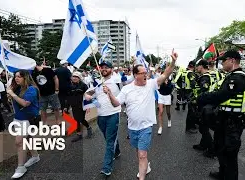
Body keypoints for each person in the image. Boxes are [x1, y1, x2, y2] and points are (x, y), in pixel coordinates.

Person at [103, 50, 178, 180]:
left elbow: (166, 74)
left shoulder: (151, 84)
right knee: (139, 152)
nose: (145, 75)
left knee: (142, 154)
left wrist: (173, 62)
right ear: (135, 75)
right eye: (142, 73)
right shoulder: (127, 89)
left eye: (146, 73)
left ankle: (141, 177)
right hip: (132, 128)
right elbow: (116, 104)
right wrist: (109, 94)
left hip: (146, 126)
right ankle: (146, 167)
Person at [197, 50, 245, 180]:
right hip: (223, 118)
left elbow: (222, 95)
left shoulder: (239, 77)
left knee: (230, 153)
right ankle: (222, 173)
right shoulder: (230, 75)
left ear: (232, 60)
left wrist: (203, 97)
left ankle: (229, 177)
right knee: (220, 148)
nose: (221, 63)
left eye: (224, 60)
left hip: (233, 121)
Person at [84, 61, 121, 176]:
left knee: (109, 141)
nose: (104, 69)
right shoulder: (98, 83)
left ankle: (106, 168)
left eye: (106, 67)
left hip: (113, 114)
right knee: (109, 138)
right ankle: (117, 151)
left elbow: (126, 85)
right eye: (102, 67)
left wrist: (109, 92)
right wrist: (88, 96)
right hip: (101, 116)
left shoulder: (117, 80)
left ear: (111, 69)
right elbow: (88, 93)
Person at [7, 70, 40, 179]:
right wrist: (10, 92)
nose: (16, 78)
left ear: (25, 78)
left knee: (19, 142)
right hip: (18, 119)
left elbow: (25, 103)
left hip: (28, 120)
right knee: (29, 139)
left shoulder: (31, 89)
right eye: (15, 76)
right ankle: (35, 156)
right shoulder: (17, 88)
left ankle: (21, 167)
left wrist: (12, 94)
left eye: (19, 77)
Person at [192, 60, 215, 158]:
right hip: (209, 105)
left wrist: (196, 100)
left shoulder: (205, 78)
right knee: (203, 126)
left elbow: (204, 93)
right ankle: (203, 145)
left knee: (203, 128)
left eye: (198, 66)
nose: (196, 68)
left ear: (201, 66)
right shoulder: (211, 75)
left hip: (204, 106)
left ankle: (211, 150)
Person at [68, 71, 92, 142]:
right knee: (76, 120)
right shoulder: (70, 86)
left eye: (76, 77)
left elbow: (88, 96)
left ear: (79, 78)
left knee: (81, 119)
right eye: (73, 76)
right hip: (74, 105)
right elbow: (69, 97)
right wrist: (67, 106)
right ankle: (79, 134)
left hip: (82, 105)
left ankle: (88, 127)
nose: (74, 78)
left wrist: (88, 107)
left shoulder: (84, 85)